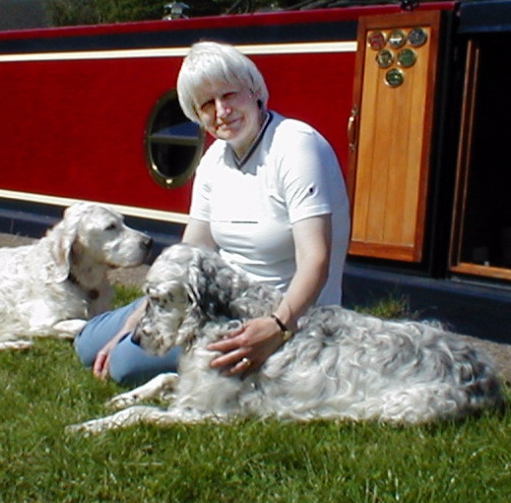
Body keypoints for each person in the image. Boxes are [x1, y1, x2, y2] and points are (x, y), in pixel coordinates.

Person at [75, 41, 350, 385]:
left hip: (282, 314)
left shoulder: (295, 145)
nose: (222, 111)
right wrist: (139, 321)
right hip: (214, 301)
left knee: (124, 365)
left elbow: (316, 260)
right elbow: (190, 256)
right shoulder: (213, 162)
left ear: (253, 89)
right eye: (207, 103)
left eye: (229, 94)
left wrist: (277, 326)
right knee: (88, 344)